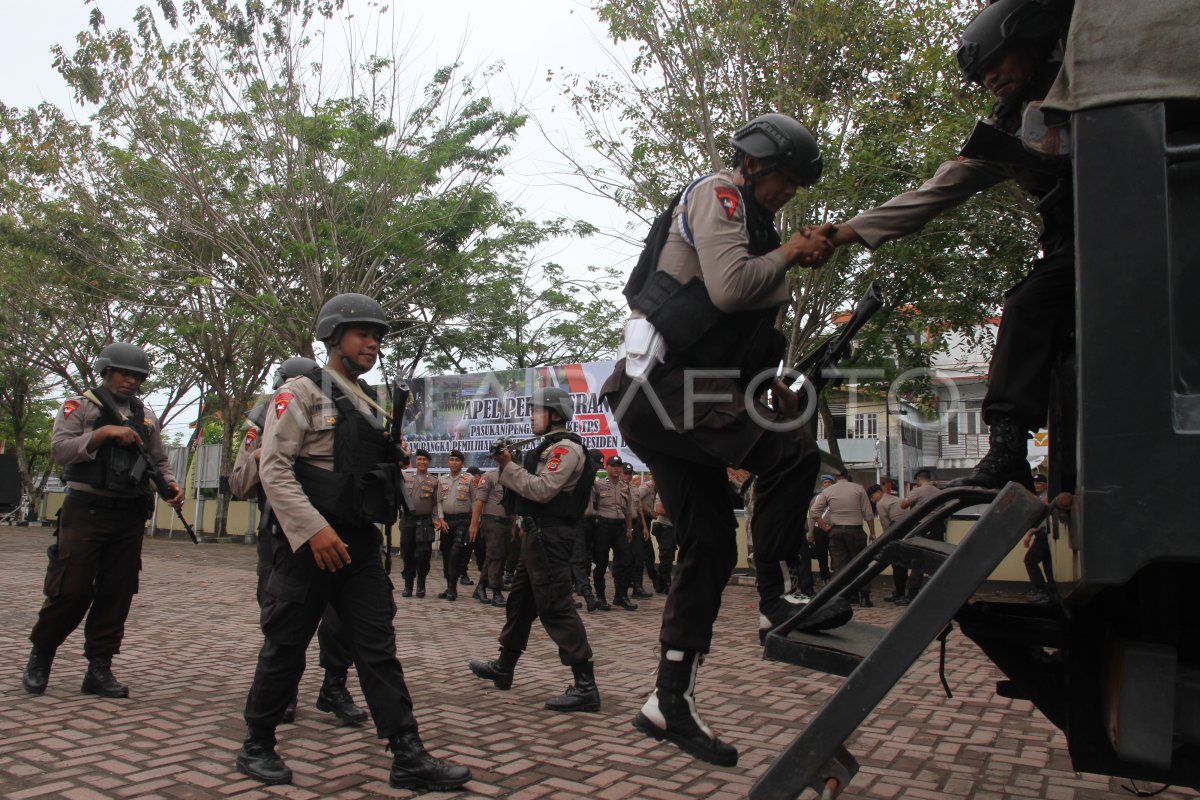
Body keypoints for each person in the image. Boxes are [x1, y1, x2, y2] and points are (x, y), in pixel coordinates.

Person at [601, 112, 830, 766]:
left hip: (674, 399)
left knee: (706, 541)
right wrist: (790, 255)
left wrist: (770, 389)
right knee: (790, 453)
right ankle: (777, 600)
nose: (788, 192)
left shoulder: (759, 231)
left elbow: (739, 342)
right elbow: (727, 291)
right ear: (754, 163)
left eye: (796, 185)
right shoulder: (717, 195)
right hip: (665, 387)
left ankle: (669, 699)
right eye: (784, 178)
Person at [821, 0, 1074, 493]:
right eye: (981, 74)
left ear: (1032, 42)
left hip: (1131, 233)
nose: (990, 80)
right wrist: (845, 232)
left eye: (997, 64)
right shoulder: (1011, 127)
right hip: (1076, 243)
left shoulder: (1090, 82)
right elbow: (935, 191)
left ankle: (1006, 447)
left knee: (1028, 307)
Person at [236, 293, 470, 791]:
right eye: (363, 333)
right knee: (286, 644)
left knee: (376, 646)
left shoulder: (369, 400)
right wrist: (312, 531)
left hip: (358, 542)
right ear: (333, 337)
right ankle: (257, 742)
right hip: (308, 542)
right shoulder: (299, 392)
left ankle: (407, 753)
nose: (373, 343)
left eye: (378, 336)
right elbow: (273, 469)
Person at [22, 343, 185, 698]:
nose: (130, 380)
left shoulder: (145, 415)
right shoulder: (80, 406)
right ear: (106, 372)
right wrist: (102, 434)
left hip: (129, 514)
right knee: (72, 589)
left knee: (117, 592)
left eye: (137, 376)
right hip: (86, 510)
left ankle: (99, 667)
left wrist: (170, 484)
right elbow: (60, 449)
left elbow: (158, 460)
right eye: (123, 373)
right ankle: (42, 654)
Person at [229, 356, 368, 725]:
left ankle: (334, 686)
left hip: (334, 528)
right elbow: (239, 484)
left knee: (341, 620)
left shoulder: (340, 411)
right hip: (281, 536)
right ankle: (281, 694)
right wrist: (264, 452)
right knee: (283, 617)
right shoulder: (259, 424)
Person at [468, 387, 601, 713]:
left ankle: (586, 686)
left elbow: (542, 490)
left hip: (551, 538)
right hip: (537, 535)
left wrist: (507, 465)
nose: (531, 416)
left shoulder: (565, 449)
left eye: (537, 410)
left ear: (555, 414)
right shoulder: (547, 446)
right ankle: (505, 666)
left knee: (555, 605)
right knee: (521, 604)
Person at [809, 472, 877, 606]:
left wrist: (825, 527)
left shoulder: (828, 490)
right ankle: (864, 597)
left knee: (840, 565)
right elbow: (868, 513)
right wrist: (872, 532)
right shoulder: (858, 488)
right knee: (860, 563)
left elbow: (814, 511)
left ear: (836, 479)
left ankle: (844, 595)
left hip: (836, 531)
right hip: (855, 530)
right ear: (849, 478)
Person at [588, 456, 637, 611]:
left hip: (620, 527)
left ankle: (621, 596)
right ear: (607, 467)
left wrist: (629, 529)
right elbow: (592, 505)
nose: (616, 468)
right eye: (613, 465)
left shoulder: (625, 486)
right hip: (603, 526)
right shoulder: (598, 484)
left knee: (626, 560)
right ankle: (600, 597)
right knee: (601, 562)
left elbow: (628, 511)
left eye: (618, 465)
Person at [898, 469, 945, 602]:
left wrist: (911, 496)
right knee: (936, 560)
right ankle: (938, 591)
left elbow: (903, 505)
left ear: (918, 479)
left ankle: (912, 594)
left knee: (918, 561)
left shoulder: (918, 491)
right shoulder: (939, 492)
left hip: (922, 528)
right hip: (937, 528)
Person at [468, 464, 512, 607]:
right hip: (492, 521)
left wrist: (513, 525)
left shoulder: (514, 477)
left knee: (495, 556)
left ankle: (480, 587)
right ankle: (496, 592)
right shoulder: (489, 476)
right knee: (496, 557)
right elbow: (479, 501)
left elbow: (513, 504)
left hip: (507, 523)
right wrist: (474, 524)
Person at [400, 449, 440, 598]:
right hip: (408, 521)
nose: (422, 462)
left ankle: (421, 585)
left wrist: (437, 519)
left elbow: (436, 503)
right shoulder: (406, 477)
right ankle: (408, 585)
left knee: (423, 554)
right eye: (420, 459)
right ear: (416, 461)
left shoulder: (434, 481)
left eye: (425, 460)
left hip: (425, 522)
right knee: (407, 553)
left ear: (429, 462)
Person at [436, 449, 474, 601]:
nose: (453, 462)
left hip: (463, 522)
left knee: (455, 554)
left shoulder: (469, 479)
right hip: (446, 522)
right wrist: (440, 519)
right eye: (451, 460)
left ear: (462, 463)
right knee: (445, 553)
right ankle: (449, 586)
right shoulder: (442, 479)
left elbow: (476, 500)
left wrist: (474, 523)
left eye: (457, 460)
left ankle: (452, 588)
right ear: (448, 462)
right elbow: (438, 501)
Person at [868, 483, 909, 605]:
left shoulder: (881, 503)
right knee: (903, 564)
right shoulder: (895, 499)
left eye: (871, 496)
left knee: (898, 565)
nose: (872, 500)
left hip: (897, 533)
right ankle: (900, 592)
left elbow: (886, 527)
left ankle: (899, 593)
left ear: (878, 493)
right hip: (908, 531)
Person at [1023, 473, 1056, 603]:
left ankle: (1041, 591)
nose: (1035, 485)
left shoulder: (1046, 497)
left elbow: (1042, 519)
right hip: (1045, 534)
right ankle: (1052, 593)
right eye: (1034, 483)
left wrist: (1031, 533)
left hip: (1044, 533)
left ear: (1046, 485)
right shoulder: (1039, 497)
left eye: (1038, 483)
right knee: (1047, 564)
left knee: (1030, 560)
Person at [623, 464, 655, 599]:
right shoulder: (615, 488)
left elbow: (639, 510)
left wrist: (644, 527)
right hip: (622, 525)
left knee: (639, 556)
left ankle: (638, 587)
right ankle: (622, 589)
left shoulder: (635, 489)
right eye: (626, 473)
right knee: (624, 557)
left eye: (630, 473)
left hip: (636, 525)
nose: (629, 476)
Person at [808, 474, 835, 584]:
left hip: (833, 528)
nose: (827, 484)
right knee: (821, 555)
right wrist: (810, 533)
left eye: (829, 482)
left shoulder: (836, 497)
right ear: (822, 485)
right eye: (825, 483)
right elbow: (811, 516)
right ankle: (825, 577)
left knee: (835, 554)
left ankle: (837, 576)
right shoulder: (816, 498)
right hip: (819, 530)